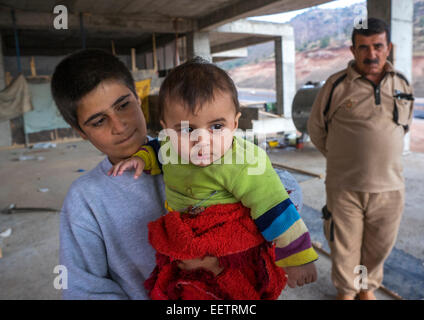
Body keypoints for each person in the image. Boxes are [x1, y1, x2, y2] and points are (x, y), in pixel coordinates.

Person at [110, 58, 318, 299]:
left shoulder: (243, 162)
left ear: (235, 123)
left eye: (217, 126)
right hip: (186, 241)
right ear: (166, 128)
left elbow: (276, 208)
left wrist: (297, 259)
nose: (202, 140)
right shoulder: (169, 146)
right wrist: (141, 159)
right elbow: (157, 151)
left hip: (231, 254)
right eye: (187, 129)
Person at [307, 18, 414, 300]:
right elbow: (316, 128)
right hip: (345, 186)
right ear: (353, 51)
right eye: (363, 47)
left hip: (390, 188)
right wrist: (342, 156)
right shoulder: (336, 85)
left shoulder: (402, 83)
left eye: (378, 46)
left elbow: (404, 126)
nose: (371, 54)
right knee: (346, 246)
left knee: (377, 246)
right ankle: (347, 291)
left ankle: (366, 288)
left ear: (388, 47)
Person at [51, 49, 167, 299]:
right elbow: (84, 290)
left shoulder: (192, 154)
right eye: (98, 121)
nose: (120, 125)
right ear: (80, 131)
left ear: (137, 96)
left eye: (123, 105)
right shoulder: (85, 198)